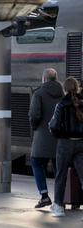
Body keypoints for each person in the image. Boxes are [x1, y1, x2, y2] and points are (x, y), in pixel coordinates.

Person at [47, 77, 83, 218]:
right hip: (81, 143)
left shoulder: (61, 104)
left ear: (65, 89)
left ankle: (58, 207)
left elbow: (54, 125)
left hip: (65, 143)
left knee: (60, 174)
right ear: (77, 87)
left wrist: (58, 134)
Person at [29, 68, 62, 208]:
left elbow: (34, 116)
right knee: (59, 169)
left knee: (36, 162)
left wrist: (35, 127)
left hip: (42, 136)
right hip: (60, 138)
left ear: (44, 79)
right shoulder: (64, 94)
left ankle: (44, 196)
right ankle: (60, 199)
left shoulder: (39, 93)